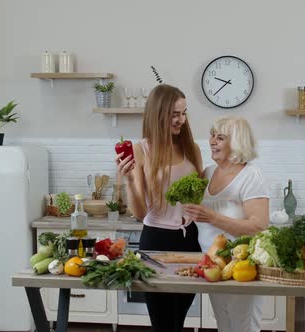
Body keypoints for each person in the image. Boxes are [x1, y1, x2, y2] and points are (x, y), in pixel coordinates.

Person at [115, 84, 203, 332]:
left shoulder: (191, 149)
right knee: (163, 324)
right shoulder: (140, 150)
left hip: (191, 241)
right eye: (175, 114)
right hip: (156, 241)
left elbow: (200, 196)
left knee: (179, 319)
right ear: (158, 113)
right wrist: (131, 181)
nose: (182, 120)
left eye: (184, 113)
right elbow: (141, 213)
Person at [183, 116, 269, 332]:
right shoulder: (209, 173)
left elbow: (259, 226)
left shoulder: (251, 176)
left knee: (243, 326)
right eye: (212, 135)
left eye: (220, 137)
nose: (212, 141)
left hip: (241, 267)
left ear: (237, 142)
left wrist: (213, 217)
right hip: (214, 265)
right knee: (224, 324)